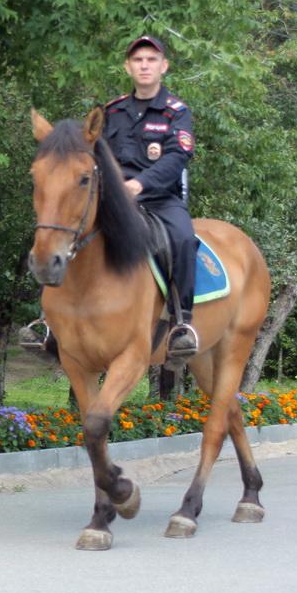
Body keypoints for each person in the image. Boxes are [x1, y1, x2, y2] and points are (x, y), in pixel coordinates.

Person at [103, 35, 199, 363]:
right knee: (66, 233)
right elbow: (97, 154)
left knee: (184, 239)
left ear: (164, 67)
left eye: (151, 60)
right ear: (127, 67)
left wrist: (139, 184)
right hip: (115, 201)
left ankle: (182, 322)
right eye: (138, 60)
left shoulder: (176, 112)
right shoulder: (112, 111)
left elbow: (177, 158)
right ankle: (51, 322)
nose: (144, 65)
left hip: (160, 200)